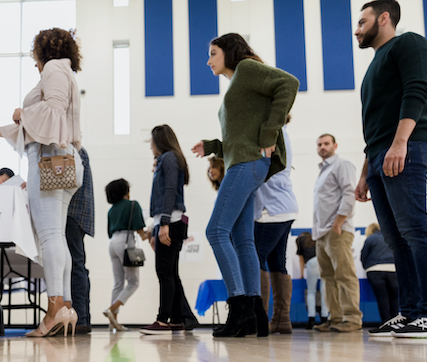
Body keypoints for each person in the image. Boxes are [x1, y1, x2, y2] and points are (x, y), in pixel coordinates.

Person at [354, 0, 427, 337]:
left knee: (415, 228)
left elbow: (417, 91)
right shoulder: (373, 66)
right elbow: (374, 124)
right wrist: (366, 169)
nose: (357, 29)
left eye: (362, 21)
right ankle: (412, 312)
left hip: (406, 146)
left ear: (384, 18)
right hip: (381, 153)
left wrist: (401, 143)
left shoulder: (409, 43)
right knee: (397, 239)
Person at [192, 33, 299, 338]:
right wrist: (213, 144)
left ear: (229, 52)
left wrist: (269, 133)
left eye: (213, 53)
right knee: (242, 238)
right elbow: (240, 136)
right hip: (245, 161)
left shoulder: (248, 70)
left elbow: (289, 83)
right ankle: (254, 315)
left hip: (248, 164)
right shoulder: (239, 82)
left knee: (215, 231)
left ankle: (239, 307)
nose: (208, 60)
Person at [0, 28, 82, 337]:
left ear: (42, 50)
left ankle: (54, 310)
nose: (33, 61)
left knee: (50, 235)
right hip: (65, 158)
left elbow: (49, 111)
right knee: (57, 236)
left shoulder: (53, 68)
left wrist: (21, 111)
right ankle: (64, 306)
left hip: (49, 157)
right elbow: (38, 123)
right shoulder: (64, 71)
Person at [140, 125, 189, 335]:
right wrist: (157, 225)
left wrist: (165, 223)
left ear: (159, 141)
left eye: (152, 141)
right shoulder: (168, 159)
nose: (150, 146)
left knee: (164, 273)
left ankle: (162, 320)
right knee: (171, 273)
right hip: (170, 220)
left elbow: (170, 190)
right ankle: (177, 319)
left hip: (172, 221)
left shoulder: (169, 158)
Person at [312, 134, 363, 333]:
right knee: (328, 277)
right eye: (319, 144)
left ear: (335, 145)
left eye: (326, 143)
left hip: (337, 229)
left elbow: (349, 193)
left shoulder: (342, 165)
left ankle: (352, 318)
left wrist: (339, 222)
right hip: (321, 232)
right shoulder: (323, 171)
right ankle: (335, 318)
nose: (322, 147)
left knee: (344, 274)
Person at [254, 118, 298, 334]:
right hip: (283, 206)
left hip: (271, 207)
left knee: (256, 256)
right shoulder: (283, 133)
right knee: (276, 262)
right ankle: (281, 320)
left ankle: (259, 319)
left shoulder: (273, 133)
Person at [104, 178, 148, 332]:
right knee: (133, 282)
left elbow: (109, 231)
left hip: (113, 243)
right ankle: (112, 308)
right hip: (126, 242)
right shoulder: (133, 205)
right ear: (126, 192)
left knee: (118, 283)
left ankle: (113, 322)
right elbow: (141, 233)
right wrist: (149, 233)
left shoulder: (111, 210)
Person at [66, 147, 95, 334]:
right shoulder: (79, 150)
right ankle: (82, 318)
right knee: (78, 266)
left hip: (72, 213)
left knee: (75, 266)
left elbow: (67, 181)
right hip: (78, 214)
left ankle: (81, 319)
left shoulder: (74, 150)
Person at [362, 222, 399, 326]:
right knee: (394, 297)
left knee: (381, 297)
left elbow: (364, 255)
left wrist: (367, 267)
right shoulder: (391, 237)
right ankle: (396, 321)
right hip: (393, 269)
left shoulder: (370, 239)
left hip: (375, 269)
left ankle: (386, 322)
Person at [296, 231, 329, 329]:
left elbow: (301, 259)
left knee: (311, 292)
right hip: (321, 261)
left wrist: (301, 274)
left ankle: (311, 319)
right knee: (324, 291)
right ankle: (324, 317)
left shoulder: (300, 240)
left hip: (311, 263)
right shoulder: (315, 239)